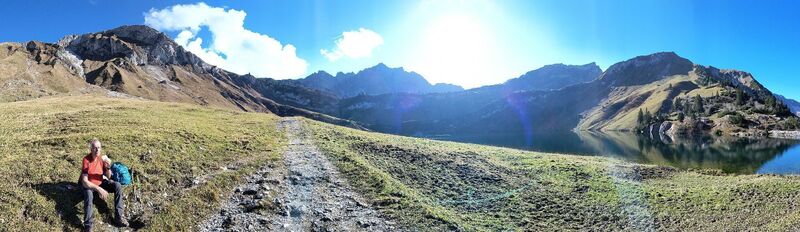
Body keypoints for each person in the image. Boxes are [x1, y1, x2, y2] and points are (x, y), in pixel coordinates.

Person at [80, 138, 127, 231]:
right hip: (89, 185)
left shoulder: (101, 159)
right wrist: (99, 189)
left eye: (99, 148)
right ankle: (88, 226)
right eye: (95, 148)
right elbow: (85, 181)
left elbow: (108, 176)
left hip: (100, 183)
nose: (97, 150)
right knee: (89, 195)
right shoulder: (86, 160)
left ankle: (118, 218)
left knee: (117, 185)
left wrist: (108, 168)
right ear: (91, 149)